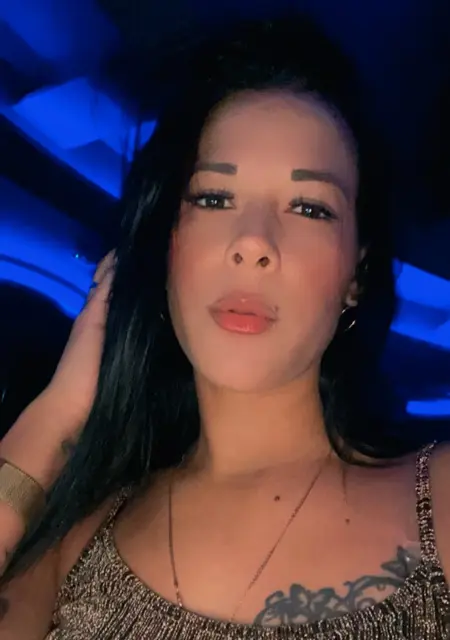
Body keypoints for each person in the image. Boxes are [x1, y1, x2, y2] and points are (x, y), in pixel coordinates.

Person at [0, 13, 449, 639]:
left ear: (357, 274)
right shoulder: (81, 532)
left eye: (309, 208)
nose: (253, 242)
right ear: (167, 245)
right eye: (213, 198)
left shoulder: (439, 501)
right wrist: (57, 414)